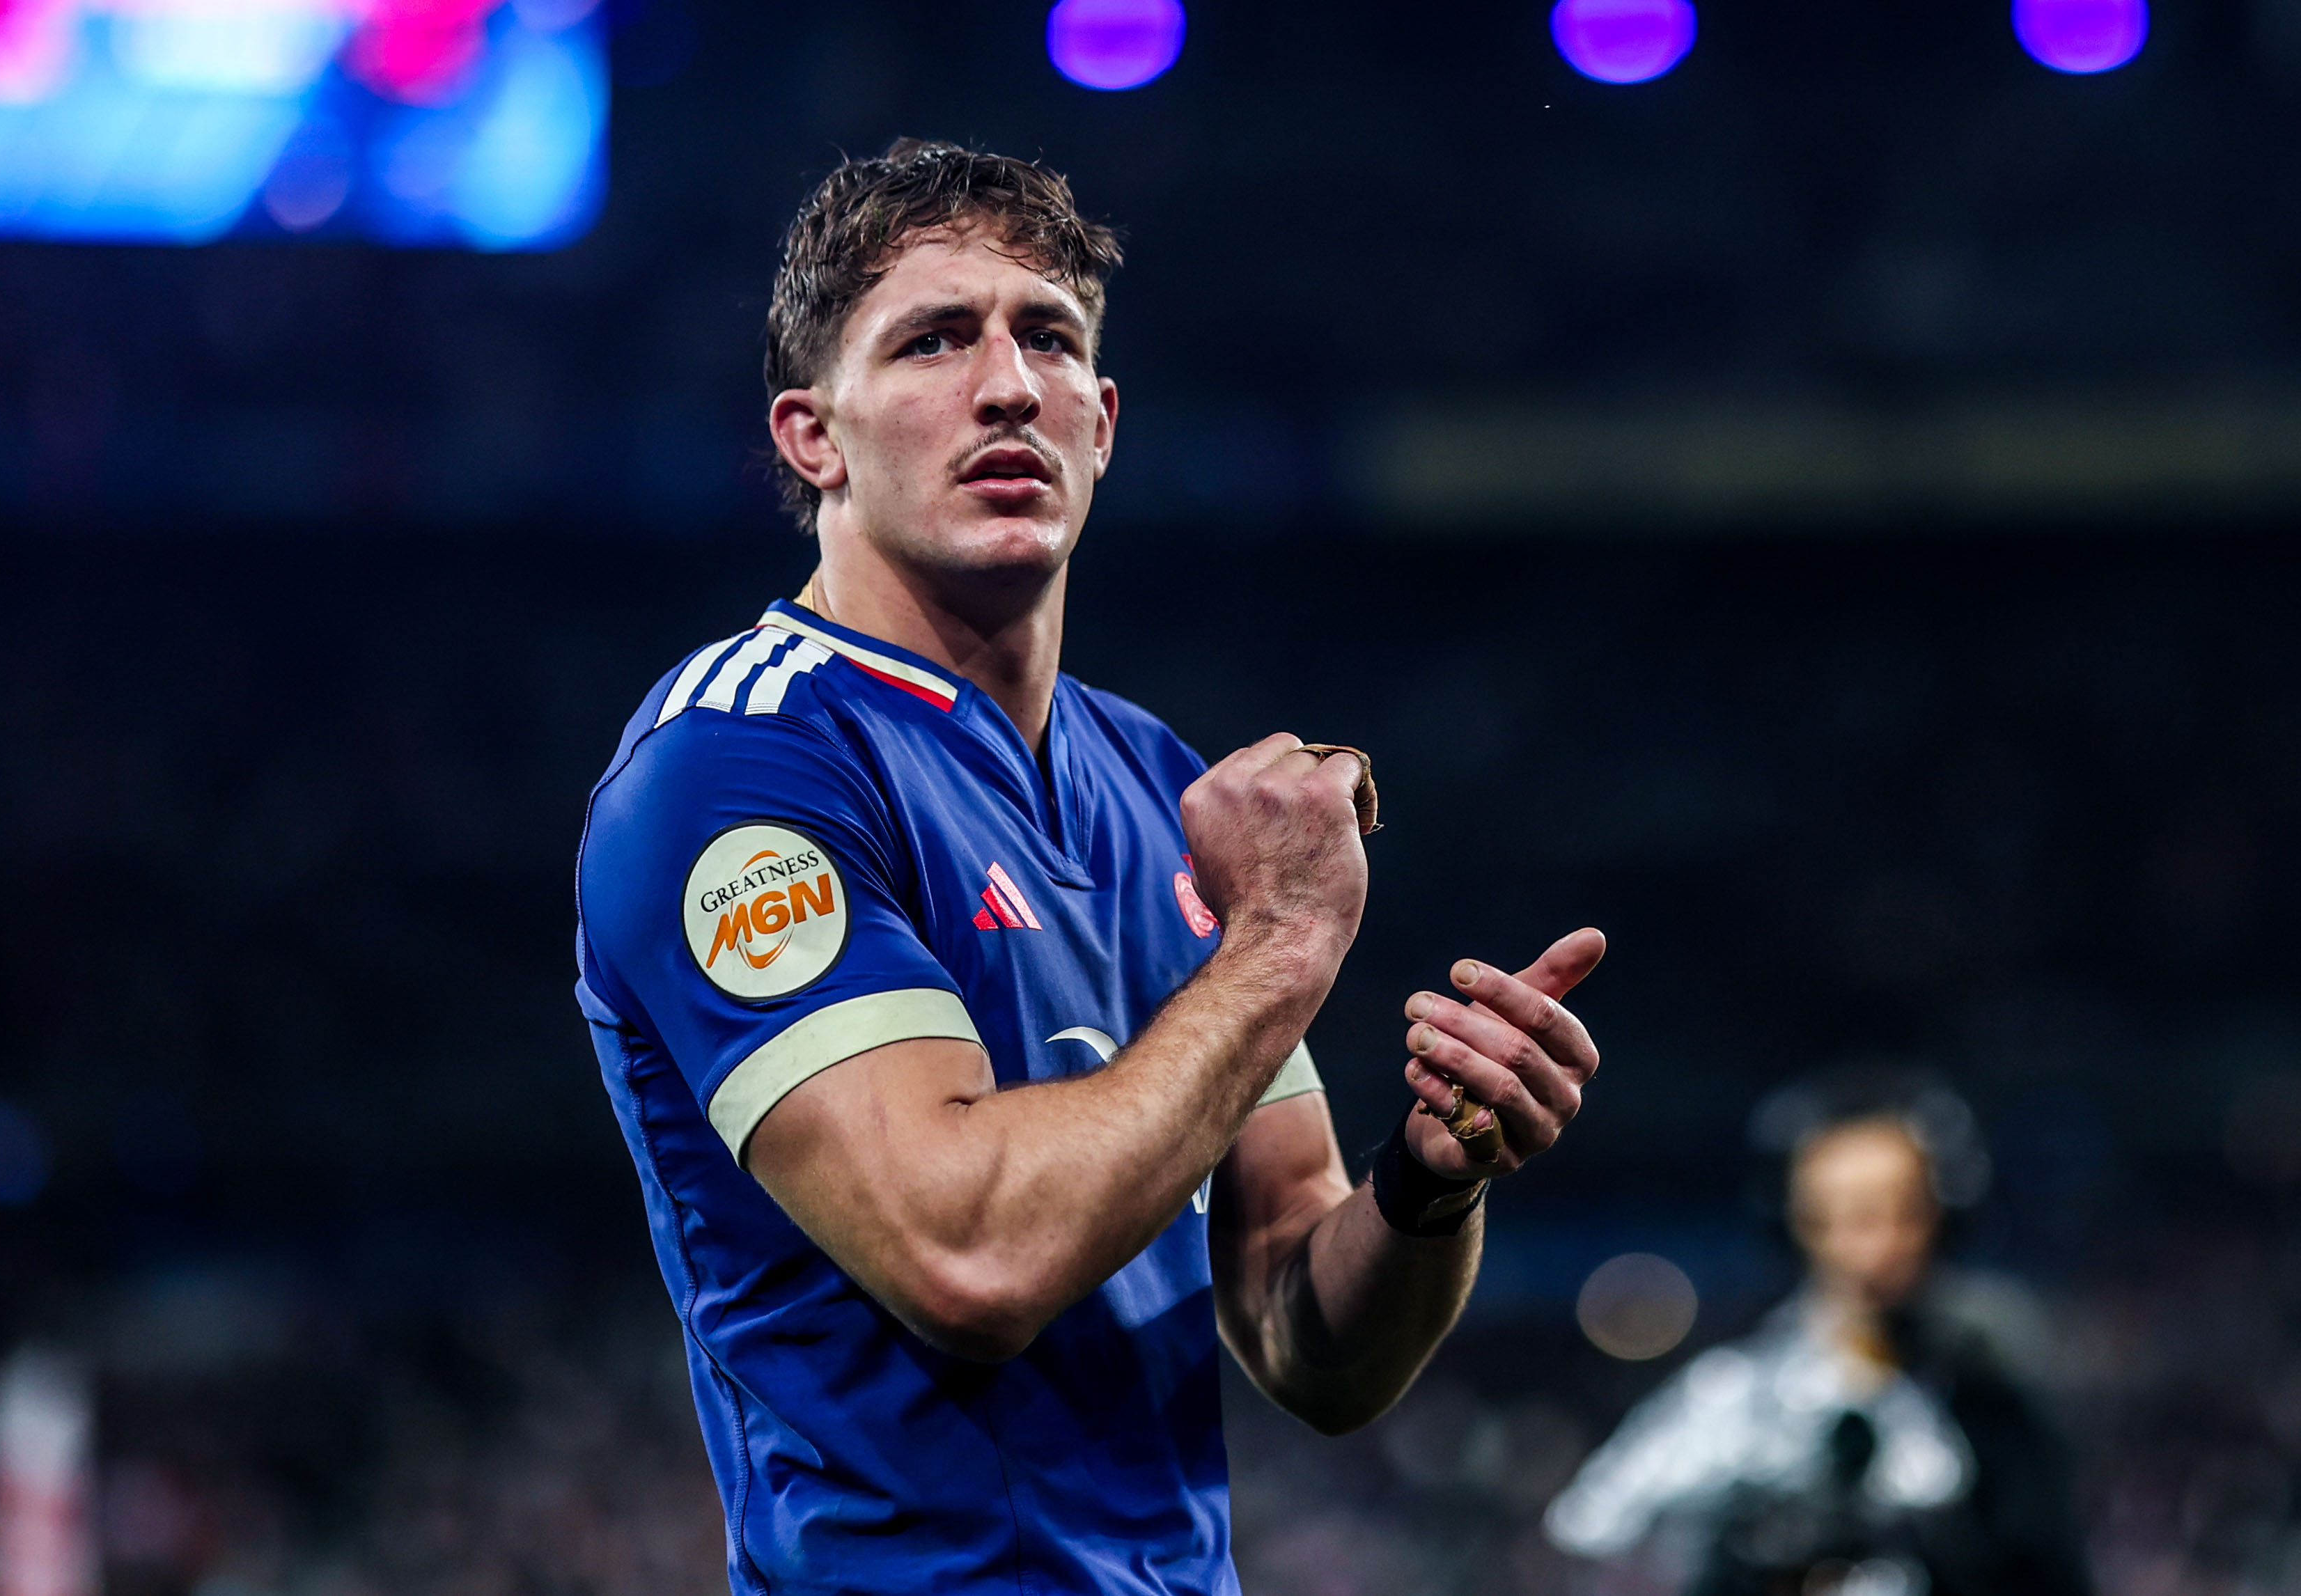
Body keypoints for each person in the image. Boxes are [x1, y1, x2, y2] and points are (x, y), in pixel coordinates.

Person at [570, 139, 1607, 1596]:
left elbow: (1308, 1338)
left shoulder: (1152, 779)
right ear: (812, 438)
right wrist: (1282, 944)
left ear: (1102, 423)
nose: (1007, 385)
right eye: (932, 340)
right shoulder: (736, 765)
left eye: (1048, 339)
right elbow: (969, 1257)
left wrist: (1431, 1183)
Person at [1545, 1077, 2086, 1596]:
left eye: (1902, 1212)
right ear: (1795, 1220)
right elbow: (1594, 1532)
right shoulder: (1730, 1399)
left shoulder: (1995, 1405)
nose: (1874, 1246)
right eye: (1840, 1215)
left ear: (1942, 1216)